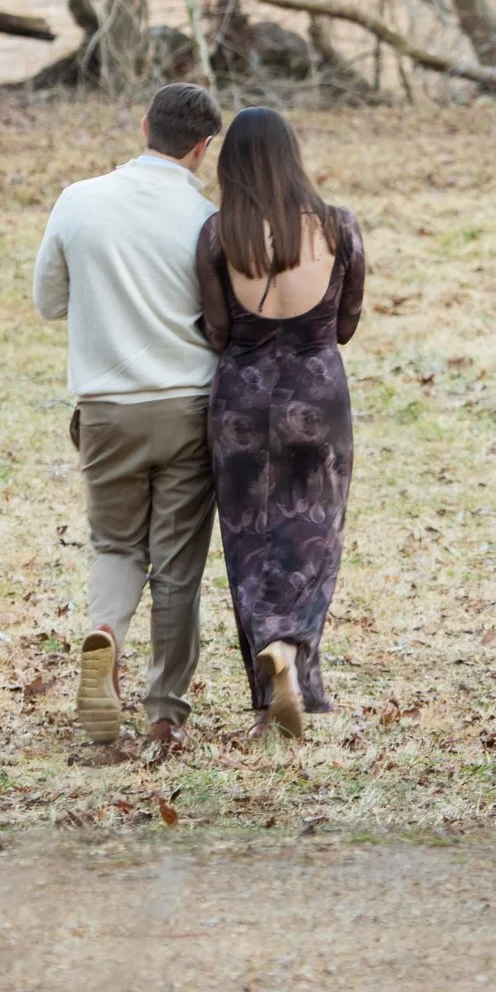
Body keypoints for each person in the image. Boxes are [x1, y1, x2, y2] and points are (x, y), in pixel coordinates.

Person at [32, 83, 226, 756]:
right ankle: (165, 716)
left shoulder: (78, 200)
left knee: (116, 545)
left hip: (106, 407)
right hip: (186, 408)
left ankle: (106, 635)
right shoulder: (206, 218)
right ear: (203, 148)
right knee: (176, 567)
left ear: (144, 124)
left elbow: (47, 301)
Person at [194, 107, 366, 739]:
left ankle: (269, 692)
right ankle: (291, 650)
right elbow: (345, 325)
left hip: (240, 399)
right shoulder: (339, 227)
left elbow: (216, 330)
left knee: (249, 541)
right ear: (293, 156)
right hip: (319, 398)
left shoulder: (218, 235)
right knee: (314, 534)